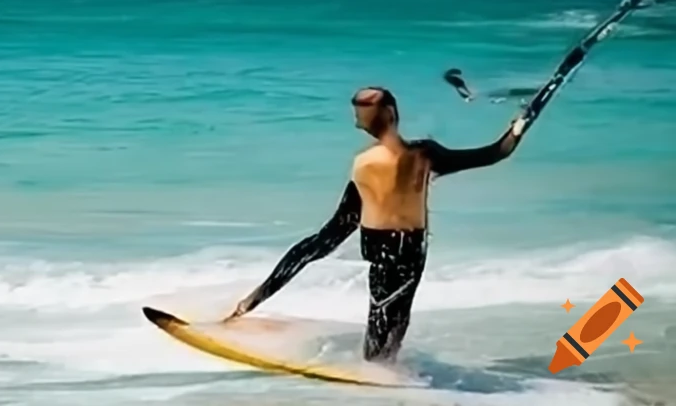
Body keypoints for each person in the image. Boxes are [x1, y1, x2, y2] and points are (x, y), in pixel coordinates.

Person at [225, 86, 527, 364]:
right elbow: (495, 153)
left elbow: (493, 154)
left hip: (387, 251)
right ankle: (381, 369)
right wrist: (516, 130)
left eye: (360, 117)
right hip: (405, 252)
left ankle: (252, 302)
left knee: (328, 257)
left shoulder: (378, 161)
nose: (358, 123)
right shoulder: (422, 154)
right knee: (388, 323)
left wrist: (513, 134)